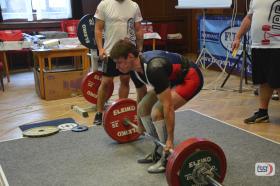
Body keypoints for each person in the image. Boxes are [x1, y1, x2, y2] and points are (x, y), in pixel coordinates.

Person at [110, 40, 204, 173]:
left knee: (156, 112)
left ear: (130, 57)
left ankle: (167, 156)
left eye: (119, 62)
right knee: (142, 108)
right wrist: (140, 123)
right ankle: (159, 150)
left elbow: (168, 106)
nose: (117, 67)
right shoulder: (133, 69)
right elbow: (141, 95)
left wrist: (170, 139)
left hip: (190, 78)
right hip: (171, 79)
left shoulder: (154, 69)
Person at [93, 0, 143, 125]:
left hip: (127, 53)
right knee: (106, 82)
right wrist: (100, 48)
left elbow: (138, 29)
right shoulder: (104, 4)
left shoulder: (134, 5)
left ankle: (120, 109)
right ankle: (99, 113)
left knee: (125, 80)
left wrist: (140, 48)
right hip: (110, 52)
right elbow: (98, 29)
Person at [232, 0, 280, 124]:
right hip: (258, 46)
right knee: (263, 81)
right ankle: (263, 113)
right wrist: (238, 37)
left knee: (278, 81)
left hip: (277, 45)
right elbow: (249, 17)